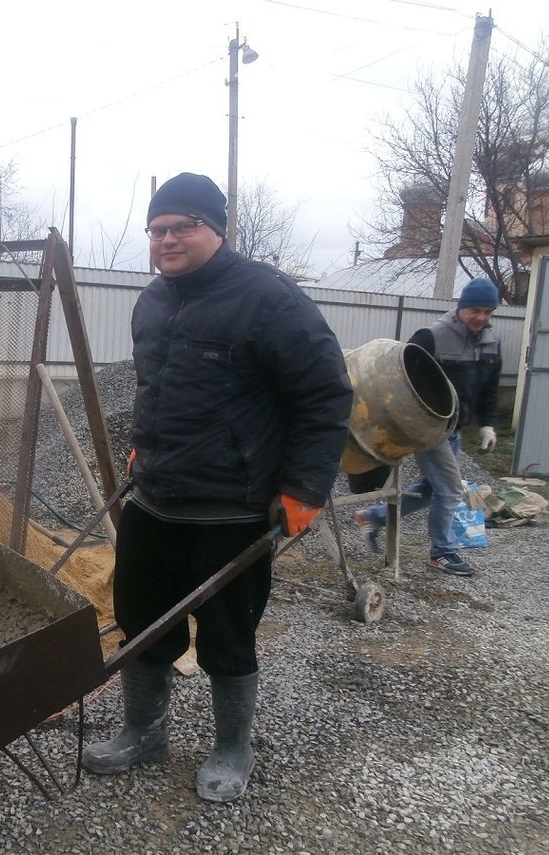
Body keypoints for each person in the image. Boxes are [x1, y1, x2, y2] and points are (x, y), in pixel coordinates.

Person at [82, 173, 352, 802]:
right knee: (142, 621)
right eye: (158, 229)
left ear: (217, 230)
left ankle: (234, 748)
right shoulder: (152, 301)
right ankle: (143, 732)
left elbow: (324, 395)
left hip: (232, 505)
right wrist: (143, 445)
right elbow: (158, 388)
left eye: (184, 227)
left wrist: (306, 489)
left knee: (228, 634)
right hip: (155, 496)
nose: (168, 239)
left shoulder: (268, 299)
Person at [354, 277, 502, 577]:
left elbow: (490, 389)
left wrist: (487, 424)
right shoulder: (432, 336)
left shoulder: (491, 342)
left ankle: (373, 516)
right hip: (429, 429)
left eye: (488, 312)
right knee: (449, 491)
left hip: (455, 429)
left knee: (432, 488)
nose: (481, 318)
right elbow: (399, 376)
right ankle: (442, 552)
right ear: (461, 307)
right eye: (475, 310)